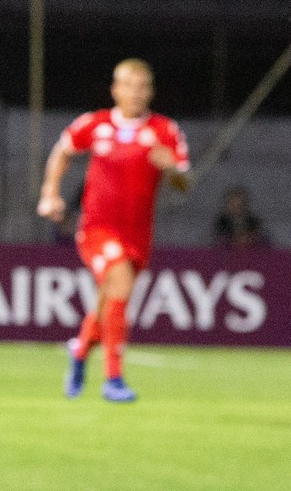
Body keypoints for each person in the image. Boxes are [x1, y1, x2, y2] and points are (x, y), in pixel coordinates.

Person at [38, 58, 191, 403]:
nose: (136, 93)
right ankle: (114, 379)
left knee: (111, 300)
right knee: (119, 282)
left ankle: (79, 350)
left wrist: (174, 172)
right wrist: (50, 192)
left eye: (142, 87)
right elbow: (62, 152)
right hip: (96, 231)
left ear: (150, 91)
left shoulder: (165, 131)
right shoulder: (95, 124)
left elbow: (184, 182)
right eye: (128, 85)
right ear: (115, 90)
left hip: (138, 235)